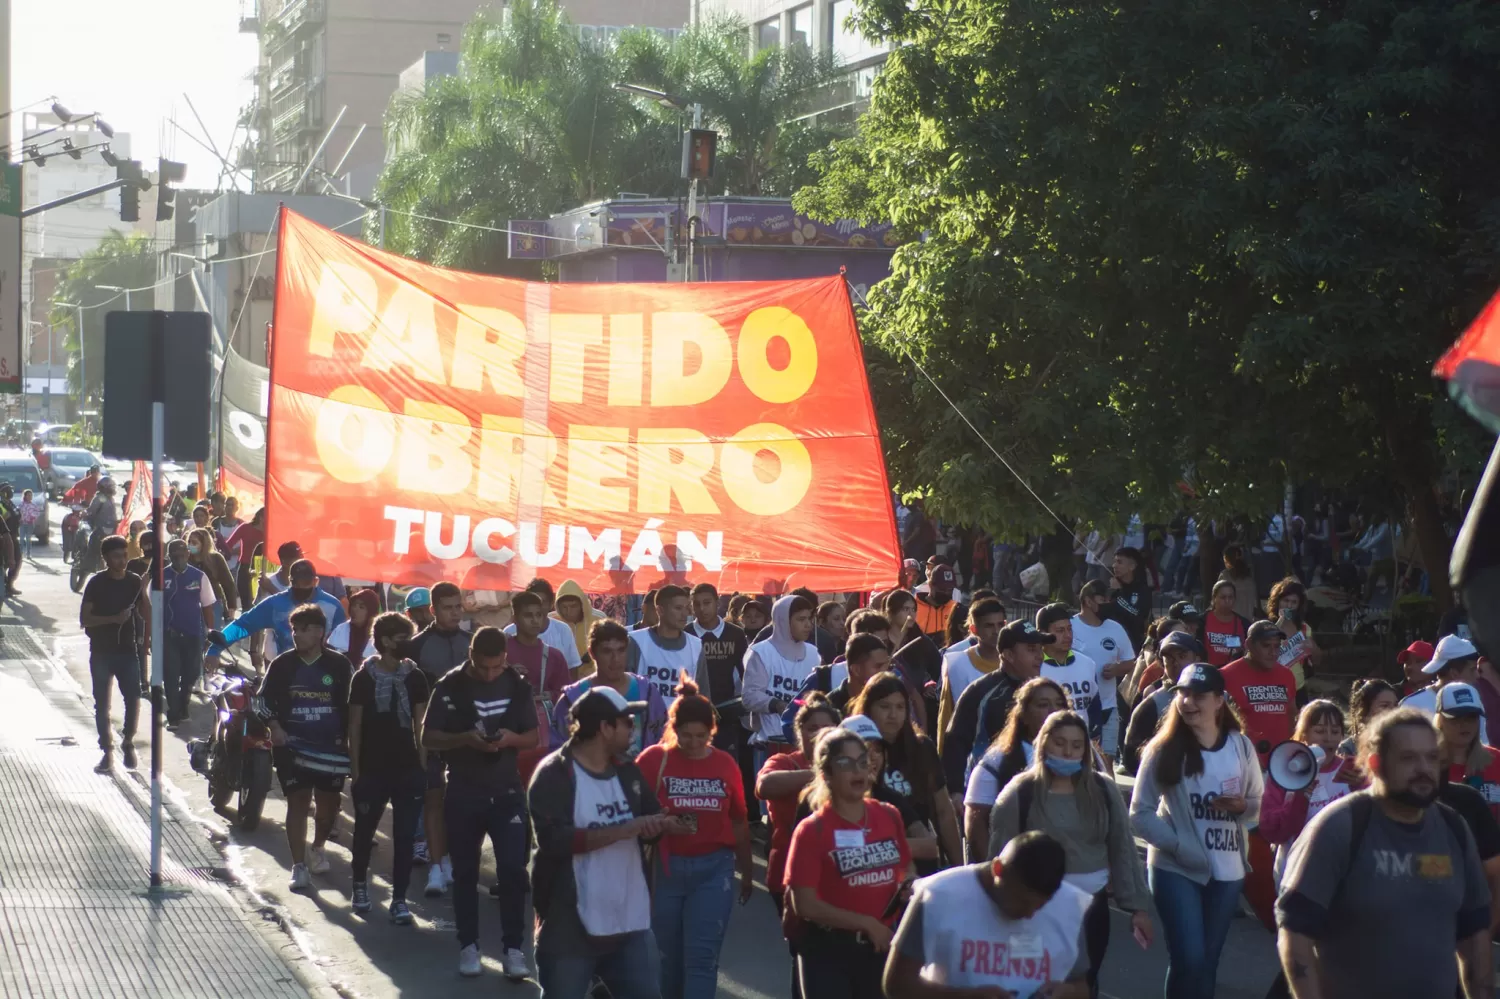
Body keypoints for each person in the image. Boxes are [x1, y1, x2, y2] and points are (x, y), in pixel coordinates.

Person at [1276, 709, 1492, 999]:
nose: (1424, 768)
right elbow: (1295, 934)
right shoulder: (1339, 827)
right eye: (1408, 758)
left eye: (1431, 757)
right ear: (1376, 764)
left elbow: (1474, 935)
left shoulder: (1454, 828)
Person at [987, 711, 1152, 996]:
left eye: (1076, 745)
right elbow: (997, 859)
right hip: (1034, 911)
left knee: (1082, 984)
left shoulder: (1103, 789)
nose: (1067, 752)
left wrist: (1138, 907)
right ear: (1043, 744)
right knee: (1035, 986)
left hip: (1091, 910)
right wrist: (994, 911)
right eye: (1059, 743)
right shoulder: (1020, 792)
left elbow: (1122, 848)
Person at [529, 685, 675, 999]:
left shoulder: (628, 772)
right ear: (605, 728)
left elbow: (649, 818)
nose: (633, 729)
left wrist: (658, 826)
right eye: (626, 722)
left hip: (629, 921)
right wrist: (626, 829)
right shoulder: (553, 774)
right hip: (569, 927)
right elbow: (555, 841)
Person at [1130, 663, 1263, 999]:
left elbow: (1258, 804)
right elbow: (1139, 813)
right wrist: (1176, 846)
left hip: (1228, 872)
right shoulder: (1162, 749)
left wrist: (1241, 808)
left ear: (1219, 700)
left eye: (1198, 695)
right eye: (1183, 694)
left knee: (1207, 962)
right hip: (1175, 868)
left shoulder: (1241, 746)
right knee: (1189, 958)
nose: (1188, 702)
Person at [420, 626, 538, 980]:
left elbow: (532, 737)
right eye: (483, 667)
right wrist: (465, 740)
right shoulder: (450, 685)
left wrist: (507, 739)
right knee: (467, 872)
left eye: (496, 667)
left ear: (505, 658)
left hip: (507, 793)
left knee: (513, 872)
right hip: (464, 792)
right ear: (470, 656)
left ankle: (514, 950)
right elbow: (428, 736)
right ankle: (468, 946)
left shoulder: (517, 685)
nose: (489, 674)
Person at [635, 677, 754, 999]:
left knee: (702, 960)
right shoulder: (652, 760)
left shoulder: (725, 763)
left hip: (715, 869)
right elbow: (628, 813)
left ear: (712, 732)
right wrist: (660, 822)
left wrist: (747, 871)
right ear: (674, 729)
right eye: (685, 735)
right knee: (666, 959)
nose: (692, 743)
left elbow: (739, 818)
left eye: (701, 736)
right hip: (665, 868)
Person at [784, 726, 915, 999]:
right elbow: (804, 904)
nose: (858, 771)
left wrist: (906, 885)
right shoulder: (812, 830)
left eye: (862, 761)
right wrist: (866, 923)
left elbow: (905, 867)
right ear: (826, 774)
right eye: (845, 763)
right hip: (827, 950)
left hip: (880, 946)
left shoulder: (889, 815)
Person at [885, 830, 1092, 999]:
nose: (1029, 915)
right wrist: (964, 997)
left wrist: (1067, 992)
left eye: (1040, 907)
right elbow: (896, 984)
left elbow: (1082, 987)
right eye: (1021, 901)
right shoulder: (937, 895)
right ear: (998, 869)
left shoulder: (1069, 906)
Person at [259, 603, 353, 892]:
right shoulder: (282, 664)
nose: (295, 635)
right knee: (298, 802)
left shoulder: (339, 665)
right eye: (293, 629)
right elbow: (263, 701)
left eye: (301, 630)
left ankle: (318, 846)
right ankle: (298, 866)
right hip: (292, 748)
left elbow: (354, 707)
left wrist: (351, 742)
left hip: (331, 750)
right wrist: (275, 727)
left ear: (319, 632)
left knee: (327, 810)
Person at [757, 694, 841, 999]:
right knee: (805, 955)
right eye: (811, 727)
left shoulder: (852, 767)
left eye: (826, 727)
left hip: (838, 876)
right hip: (788, 877)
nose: (818, 733)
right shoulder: (784, 761)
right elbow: (764, 786)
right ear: (798, 733)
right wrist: (822, 774)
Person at [347, 611, 428, 924]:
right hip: (372, 769)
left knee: (405, 836)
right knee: (365, 831)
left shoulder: (415, 676)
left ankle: (399, 899)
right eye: (401, 639)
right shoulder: (364, 677)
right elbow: (354, 726)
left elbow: (420, 723)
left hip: (407, 770)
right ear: (384, 641)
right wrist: (356, 773)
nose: (407, 644)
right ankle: (359, 887)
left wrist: (421, 766)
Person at [853, 671, 963, 872]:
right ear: (868, 709)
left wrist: (959, 868)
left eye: (900, 707)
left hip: (922, 861)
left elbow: (943, 811)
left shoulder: (922, 748)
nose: (893, 715)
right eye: (884, 707)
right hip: (869, 864)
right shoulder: (853, 750)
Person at [399, 580, 469, 892]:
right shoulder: (415, 647)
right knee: (432, 799)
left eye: (458, 606)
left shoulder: (473, 642)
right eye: (447, 608)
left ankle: (450, 859)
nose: (455, 613)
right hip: (430, 733)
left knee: (460, 802)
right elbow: (405, 695)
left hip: (468, 734)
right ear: (433, 610)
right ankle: (437, 868)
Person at [1258, 700, 1363, 889]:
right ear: (1304, 734)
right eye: (1320, 731)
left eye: (1335, 731)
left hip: (1342, 875)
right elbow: (1272, 831)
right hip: (1295, 874)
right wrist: (1299, 797)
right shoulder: (1284, 772)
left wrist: (1361, 787)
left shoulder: (1352, 771)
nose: (1328, 738)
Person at [942, 621, 1055, 792]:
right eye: (1032, 649)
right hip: (988, 789)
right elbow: (955, 743)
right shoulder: (981, 693)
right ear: (1008, 655)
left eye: (1040, 649)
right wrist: (955, 791)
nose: (1040, 656)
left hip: (1038, 789)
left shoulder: (1048, 693)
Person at [964, 677, 1069, 854]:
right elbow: (976, 822)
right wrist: (992, 870)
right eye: (1043, 705)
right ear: (1024, 715)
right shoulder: (997, 761)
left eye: (1059, 704)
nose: (1053, 711)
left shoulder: (1087, 755)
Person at [79, 535, 149, 773]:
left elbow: (145, 612)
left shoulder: (134, 581)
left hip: (128, 651)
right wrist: (112, 619)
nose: (122, 560)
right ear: (106, 558)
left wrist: (146, 591)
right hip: (101, 652)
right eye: (117, 556)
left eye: (125, 555)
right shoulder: (96, 583)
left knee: (133, 698)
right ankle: (106, 751)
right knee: (102, 704)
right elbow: (85, 619)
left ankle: (127, 739)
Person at [552, 619, 669, 757]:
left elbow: (664, 739)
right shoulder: (573, 698)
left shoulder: (647, 693)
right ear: (592, 653)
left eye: (621, 650)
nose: (616, 659)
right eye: (607, 651)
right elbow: (558, 750)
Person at [207, 559, 347, 663]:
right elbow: (244, 624)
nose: (301, 587)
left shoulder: (333, 607)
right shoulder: (275, 604)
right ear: (290, 581)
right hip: (285, 669)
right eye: (296, 583)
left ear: (315, 581)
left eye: (306, 584)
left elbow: (345, 642)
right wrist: (215, 649)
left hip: (324, 674)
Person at [504, 590, 571, 782]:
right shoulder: (502, 653)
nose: (535, 621)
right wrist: (508, 675)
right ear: (514, 618)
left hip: (547, 739)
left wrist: (546, 695)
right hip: (509, 736)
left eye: (539, 615)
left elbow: (566, 696)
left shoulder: (554, 656)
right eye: (528, 615)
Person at [744, 594, 820, 759]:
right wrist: (777, 704)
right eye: (801, 619)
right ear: (784, 621)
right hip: (770, 743)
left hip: (803, 743)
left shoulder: (813, 654)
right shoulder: (762, 652)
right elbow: (750, 696)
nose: (808, 625)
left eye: (809, 618)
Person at [1120, 631, 1205, 776]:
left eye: (1182, 656)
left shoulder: (1218, 696)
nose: (1176, 663)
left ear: (1197, 658)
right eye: (1169, 658)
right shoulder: (1151, 705)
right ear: (1162, 663)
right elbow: (1131, 758)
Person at [1072, 580, 1136, 762]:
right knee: (1081, 761)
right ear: (1088, 601)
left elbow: (1130, 661)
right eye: (1103, 599)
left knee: (1106, 761)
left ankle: (1107, 790)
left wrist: (1117, 669)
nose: (1108, 603)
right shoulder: (1070, 627)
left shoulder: (1115, 628)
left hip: (1108, 708)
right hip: (1078, 709)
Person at [686, 581, 750, 754]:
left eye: (707, 603)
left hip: (726, 713)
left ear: (717, 602)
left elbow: (746, 674)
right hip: (691, 712)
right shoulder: (685, 634)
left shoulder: (735, 634)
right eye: (696, 604)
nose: (702, 609)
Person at [935, 596, 1006, 749]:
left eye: (1000, 624)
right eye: (989, 626)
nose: (996, 631)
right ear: (974, 630)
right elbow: (946, 718)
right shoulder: (957, 664)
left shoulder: (1018, 660)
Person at [161, 539, 216, 726]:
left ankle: (183, 704)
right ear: (169, 556)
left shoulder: (199, 576)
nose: (179, 558)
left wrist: (211, 632)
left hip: (193, 634)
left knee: (191, 673)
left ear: (188, 554)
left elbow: (207, 606)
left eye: (182, 554)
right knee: (170, 674)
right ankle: (174, 714)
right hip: (169, 635)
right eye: (174, 555)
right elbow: (152, 607)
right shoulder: (160, 577)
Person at [627, 584, 706, 713]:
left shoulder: (696, 645)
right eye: (678, 608)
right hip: (642, 725)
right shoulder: (635, 641)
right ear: (660, 610)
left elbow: (702, 695)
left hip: (679, 727)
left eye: (686, 608)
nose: (684, 614)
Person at [1402, 635, 1491, 743]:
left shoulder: (1474, 701)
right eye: (1472, 670)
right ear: (1454, 674)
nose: (1477, 675)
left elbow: (1483, 746)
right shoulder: (1411, 705)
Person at [1436, 682, 1500, 821]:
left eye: (1471, 717)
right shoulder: (1428, 763)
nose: (1464, 724)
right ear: (1440, 721)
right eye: (1456, 718)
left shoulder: (1497, 759)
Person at [1036, 604, 1102, 738]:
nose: (1067, 635)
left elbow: (1095, 709)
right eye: (1060, 630)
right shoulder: (1033, 667)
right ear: (1043, 633)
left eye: (1069, 629)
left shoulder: (1087, 663)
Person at [502, 578, 582, 673]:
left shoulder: (563, 630)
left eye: (543, 602)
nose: (538, 606)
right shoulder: (508, 633)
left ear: (550, 604)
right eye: (533, 601)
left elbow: (572, 669)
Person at [1267, 577, 1321, 698]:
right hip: (1273, 687)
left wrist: (1313, 648)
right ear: (1278, 601)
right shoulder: (1266, 626)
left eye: (1294, 602)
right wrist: (1281, 621)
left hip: (1298, 687)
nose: (1289, 606)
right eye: (1286, 601)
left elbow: (1317, 660)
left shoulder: (1304, 628)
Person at [186, 527, 238, 629]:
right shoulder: (185, 559)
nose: (190, 545)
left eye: (194, 542)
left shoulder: (216, 558)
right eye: (189, 541)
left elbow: (228, 583)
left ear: (203, 544)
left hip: (213, 602)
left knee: (212, 633)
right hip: (191, 603)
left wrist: (231, 606)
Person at [1101, 545, 1151, 651]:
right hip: (1109, 641)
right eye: (1114, 562)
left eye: (1119, 562)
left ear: (1132, 566)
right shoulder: (1113, 586)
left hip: (1132, 644)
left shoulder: (1142, 590)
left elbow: (1136, 614)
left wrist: (1118, 593)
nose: (1114, 566)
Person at [552, 578, 605, 677]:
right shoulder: (551, 620)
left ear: (582, 604)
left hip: (592, 678)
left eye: (573, 606)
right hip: (560, 678)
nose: (568, 611)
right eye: (564, 607)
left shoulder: (599, 618)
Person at [1337, 678, 1400, 757]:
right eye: (1384, 706)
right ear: (1364, 712)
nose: (1393, 711)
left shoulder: (1404, 744)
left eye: (1395, 705)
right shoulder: (1348, 749)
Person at [1199, 580, 1251, 668]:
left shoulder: (1244, 624)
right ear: (1214, 599)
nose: (1227, 601)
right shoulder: (1202, 621)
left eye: (1230, 597)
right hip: (1208, 671)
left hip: (1234, 672)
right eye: (1223, 597)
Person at [328, 587, 380, 662]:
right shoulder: (340, 629)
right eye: (354, 605)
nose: (355, 609)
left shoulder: (379, 634)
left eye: (361, 607)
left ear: (371, 612)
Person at [913, 563, 957, 642]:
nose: (946, 593)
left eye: (950, 590)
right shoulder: (913, 607)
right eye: (942, 589)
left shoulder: (956, 609)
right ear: (930, 585)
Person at [1218, 544, 1259, 622]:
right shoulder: (1250, 579)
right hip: (1247, 624)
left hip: (1229, 622)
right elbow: (1255, 605)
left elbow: (1218, 600)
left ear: (1226, 559)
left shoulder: (1225, 576)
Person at [18, 488, 40, 560]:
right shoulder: (21, 504)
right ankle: (20, 554)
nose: (30, 497)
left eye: (31, 495)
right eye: (28, 495)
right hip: (22, 524)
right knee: (21, 539)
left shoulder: (33, 505)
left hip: (30, 524)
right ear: (25, 496)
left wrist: (33, 517)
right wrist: (19, 519)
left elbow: (37, 513)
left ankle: (28, 554)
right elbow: (17, 512)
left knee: (28, 539)